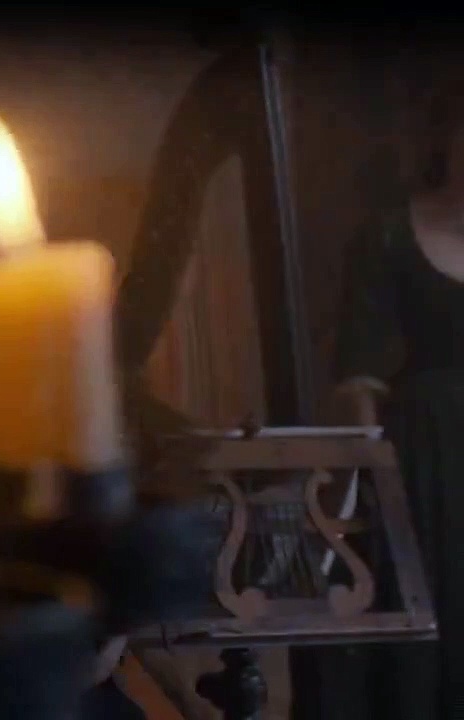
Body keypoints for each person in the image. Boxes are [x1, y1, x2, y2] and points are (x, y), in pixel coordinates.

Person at [321, 65, 464, 719]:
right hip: (426, 456)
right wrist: (373, 469)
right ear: (447, 137)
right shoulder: (387, 234)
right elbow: (359, 373)